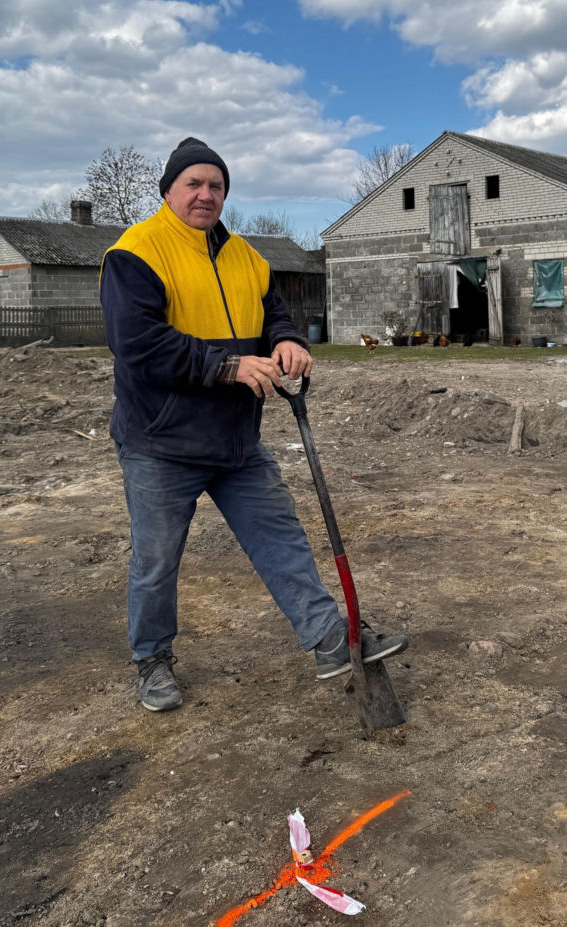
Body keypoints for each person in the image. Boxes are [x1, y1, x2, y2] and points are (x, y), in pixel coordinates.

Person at [100, 137, 407, 712]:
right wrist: (226, 365)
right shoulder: (136, 252)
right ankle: (152, 660)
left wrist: (286, 340)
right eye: (193, 183)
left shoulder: (246, 255)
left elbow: (273, 312)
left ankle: (329, 640)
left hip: (236, 440)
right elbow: (136, 343)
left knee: (281, 538)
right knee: (156, 560)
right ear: (168, 190)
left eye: (216, 185)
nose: (205, 194)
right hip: (161, 443)